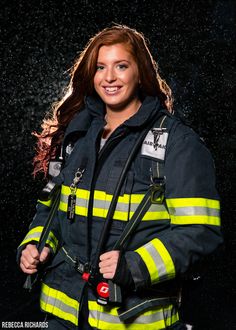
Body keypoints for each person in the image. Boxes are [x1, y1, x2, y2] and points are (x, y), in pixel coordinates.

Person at [17, 24, 222, 329]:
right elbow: (52, 210)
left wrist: (136, 265)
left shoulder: (177, 143)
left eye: (121, 66)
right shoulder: (78, 136)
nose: (109, 77)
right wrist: (36, 245)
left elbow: (201, 232)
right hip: (64, 315)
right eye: (101, 67)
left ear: (140, 72)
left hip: (133, 318)